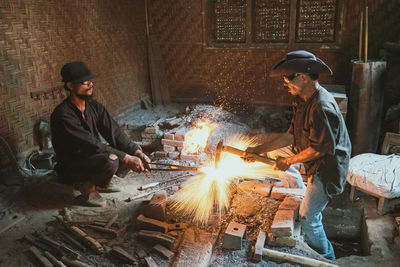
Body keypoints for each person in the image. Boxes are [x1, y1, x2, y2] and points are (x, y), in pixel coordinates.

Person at [245, 50, 351, 260]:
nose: (287, 86)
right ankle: (298, 193)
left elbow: (319, 149)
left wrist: (289, 161)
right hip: (313, 153)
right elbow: (290, 136)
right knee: (276, 151)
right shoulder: (303, 99)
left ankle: (326, 258)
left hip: (327, 167)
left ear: (303, 77)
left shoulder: (322, 107)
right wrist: (258, 150)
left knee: (308, 217)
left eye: (288, 81)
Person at [51, 61, 151, 207]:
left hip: (91, 155)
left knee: (126, 150)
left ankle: (102, 182)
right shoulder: (63, 115)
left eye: (91, 81)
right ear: (70, 86)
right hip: (72, 165)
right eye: (85, 82)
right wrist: (127, 158)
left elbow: (115, 133)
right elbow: (91, 145)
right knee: (112, 159)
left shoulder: (94, 106)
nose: (91, 85)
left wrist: (137, 152)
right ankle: (87, 187)